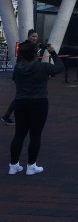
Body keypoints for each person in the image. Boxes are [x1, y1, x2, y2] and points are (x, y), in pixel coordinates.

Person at [8, 41, 64, 176]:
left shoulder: (17, 68)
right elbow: (60, 67)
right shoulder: (43, 67)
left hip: (21, 102)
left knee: (19, 134)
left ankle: (13, 165)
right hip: (39, 102)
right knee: (35, 135)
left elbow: (15, 79)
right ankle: (31, 166)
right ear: (36, 54)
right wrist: (52, 52)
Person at [2, 29, 40, 126]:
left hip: (23, 73)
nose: (35, 38)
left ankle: (11, 115)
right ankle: (7, 116)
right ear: (29, 36)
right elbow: (24, 60)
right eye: (33, 36)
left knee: (24, 95)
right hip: (24, 74)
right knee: (22, 96)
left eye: (36, 36)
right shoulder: (28, 46)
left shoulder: (28, 45)